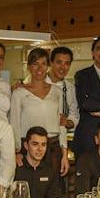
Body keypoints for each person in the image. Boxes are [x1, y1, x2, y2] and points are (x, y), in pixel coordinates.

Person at [10, 48, 68, 179]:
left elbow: (62, 124)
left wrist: (64, 154)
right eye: (35, 63)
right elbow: (14, 125)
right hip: (28, 149)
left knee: (54, 191)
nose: (39, 68)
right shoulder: (19, 93)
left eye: (43, 63)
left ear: (48, 66)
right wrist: (16, 151)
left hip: (53, 148)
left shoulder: (57, 91)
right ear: (29, 66)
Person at [14, 127, 59, 198]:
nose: (40, 149)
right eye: (35, 144)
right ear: (26, 145)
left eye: (43, 145)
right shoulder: (15, 168)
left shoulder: (49, 171)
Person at [46, 46, 79, 131]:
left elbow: (74, 115)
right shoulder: (37, 84)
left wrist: (68, 122)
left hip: (61, 137)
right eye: (59, 62)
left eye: (67, 63)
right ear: (51, 62)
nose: (62, 67)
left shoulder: (70, 88)